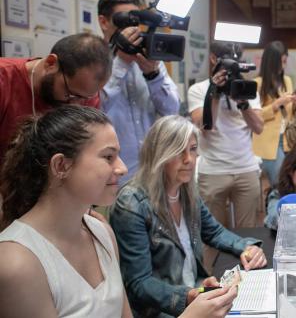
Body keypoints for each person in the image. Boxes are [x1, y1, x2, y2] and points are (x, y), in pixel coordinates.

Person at [0, 106, 242, 318]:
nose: (122, 168)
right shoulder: (17, 263)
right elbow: (140, 285)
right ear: (61, 165)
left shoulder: (100, 231)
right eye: (108, 157)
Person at [110, 115, 267, 317]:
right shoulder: (131, 204)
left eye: (193, 149)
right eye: (179, 151)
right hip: (163, 310)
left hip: (196, 293)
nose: (189, 159)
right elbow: (139, 283)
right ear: (158, 154)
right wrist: (188, 296)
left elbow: (214, 232)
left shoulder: (186, 190)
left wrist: (246, 247)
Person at [98, 0, 180, 183]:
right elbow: (94, 107)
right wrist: (121, 63)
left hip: (151, 173)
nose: (132, 29)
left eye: (135, 22)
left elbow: (172, 110)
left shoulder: (149, 59)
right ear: (103, 22)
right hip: (111, 177)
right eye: (125, 21)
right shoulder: (92, 59)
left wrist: (153, 75)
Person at [0, 32, 111, 161]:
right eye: (69, 93)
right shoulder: (4, 81)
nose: (75, 104)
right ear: (50, 63)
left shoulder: (86, 96)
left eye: (85, 98)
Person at [188, 41, 264, 228]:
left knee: (249, 233)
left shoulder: (247, 88)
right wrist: (215, 92)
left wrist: (243, 103)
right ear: (214, 59)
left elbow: (259, 127)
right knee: (212, 234)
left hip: (246, 168)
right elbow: (207, 126)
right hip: (213, 171)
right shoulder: (198, 90)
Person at [252, 41, 296, 188]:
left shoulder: (287, 80)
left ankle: (275, 204)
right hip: (267, 140)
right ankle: (276, 208)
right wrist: (277, 103)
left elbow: (290, 114)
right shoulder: (257, 83)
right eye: (282, 62)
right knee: (280, 182)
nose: (284, 66)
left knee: (287, 180)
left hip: (287, 139)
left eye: (285, 61)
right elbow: (255, 117)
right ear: (271, 62)